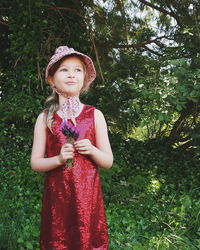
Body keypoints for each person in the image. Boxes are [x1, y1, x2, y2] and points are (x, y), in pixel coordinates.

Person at [31, 45, 113, 250]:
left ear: (84, 79)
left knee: (87, 240)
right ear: (52, 79)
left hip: (87, 200)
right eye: (64, 69)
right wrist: (58, 159)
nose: (71, 75)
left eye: (78, 70)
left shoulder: (95, 115)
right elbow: (35, 163)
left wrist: (93, 150)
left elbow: (108, 162)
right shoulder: (45, 118)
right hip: (57, 203)